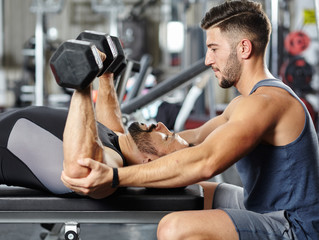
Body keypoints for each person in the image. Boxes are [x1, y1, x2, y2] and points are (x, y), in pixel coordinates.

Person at [61, 1, 319, 239]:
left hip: (296, 227)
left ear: (244, 48)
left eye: (214, 49)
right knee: (196, 193)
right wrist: (126, 143)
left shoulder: (265, 104)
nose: (208, 60)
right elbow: (186, 140)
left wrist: (115, 176)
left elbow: (206, 161)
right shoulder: (244, 103)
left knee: (175, 228)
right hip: (262, 205)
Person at [0, 68, 189, 196]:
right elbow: (110, 120)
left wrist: (83, 82)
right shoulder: (116, 142)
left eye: (166, 136)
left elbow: (81, 170)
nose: (161, 125)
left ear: (149, 161)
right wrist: (106, 73)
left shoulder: (112, 164)